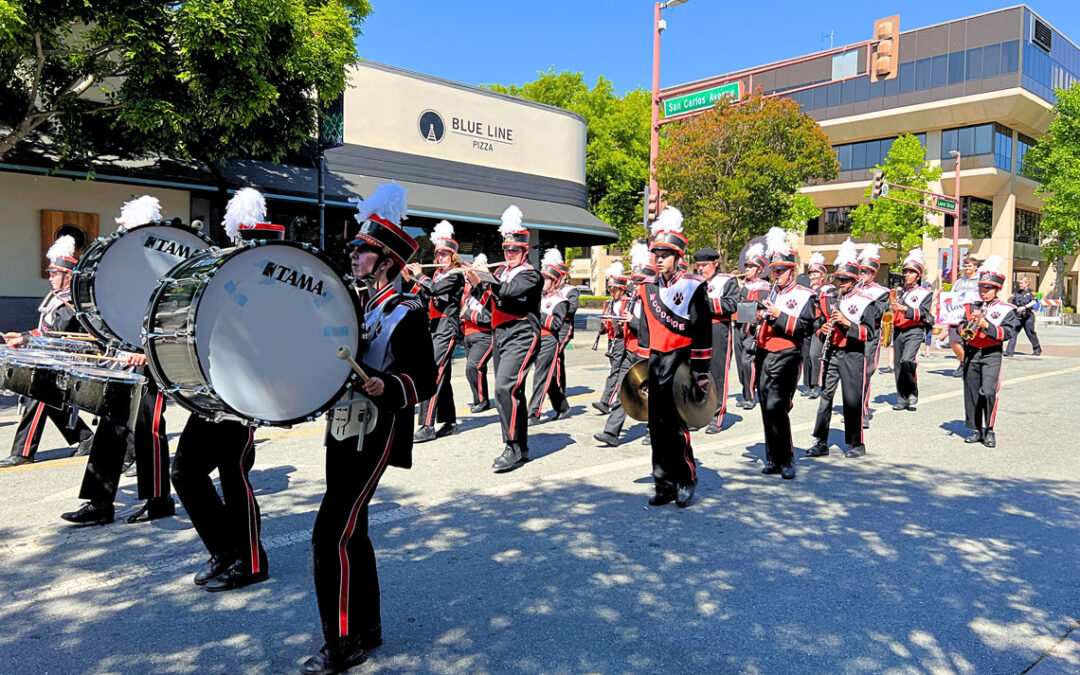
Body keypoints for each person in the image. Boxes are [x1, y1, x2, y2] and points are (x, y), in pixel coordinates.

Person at [304, 182, 436, 674]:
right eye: (356, 248)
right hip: (344, 426)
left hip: (377, 430)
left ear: (386, 262)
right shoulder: (359, 306)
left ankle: (340, 643)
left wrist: (388, 385)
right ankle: (368, 625)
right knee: (352, 530)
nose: (354, 254)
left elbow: (425, 378)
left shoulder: (406, 312)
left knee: (329, 535)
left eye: (363, 249)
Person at [171, 189, 278, 593]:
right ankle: (224, 549)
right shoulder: (225, 279)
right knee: (185, 472)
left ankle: (252, 561)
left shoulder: (271, 284)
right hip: (213, 387)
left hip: (245, 391)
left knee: (234, 474)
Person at [633, 208, 711, 506]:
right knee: (656, 426)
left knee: (676, 426)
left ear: (678, 257)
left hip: (682, 362)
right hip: (655, 363)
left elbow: (702, 332)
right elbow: (644, 332)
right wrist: (640, 371)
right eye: (657, 254)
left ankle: (686, 479)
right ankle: (663, 484)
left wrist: (700, 373)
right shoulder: (647, 288)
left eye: (665, 255)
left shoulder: (693, 286)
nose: (659, 259)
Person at [2, 235, 94, 467]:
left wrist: (25, 339)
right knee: (49, 400)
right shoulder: (56, 299)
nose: (50, 277)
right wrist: (22, 335)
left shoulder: (72, 302)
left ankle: (23, 452)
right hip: (53, 358)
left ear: (68, 276)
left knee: (38, 394)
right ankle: (86, 438)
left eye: (54, 273)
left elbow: (56, 334)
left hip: (71, 361)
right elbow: (45, 330)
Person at [466, 205, 543, 473]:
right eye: (507, 250)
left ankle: (511, 446)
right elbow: (489, 303)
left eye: (515, 250)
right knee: (513, 391)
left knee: (503, 388)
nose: (510, 254)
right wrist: (474, 282)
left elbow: (508, 292)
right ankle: (521, 446)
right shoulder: (500, 273)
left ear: (525, 251)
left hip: (522, 333)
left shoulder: (531, 274)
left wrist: (485, 276)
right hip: (501, 335)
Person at [808, 239, 880, 459]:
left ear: (854, 280)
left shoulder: (865, 301)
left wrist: (848, 324)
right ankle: (821, 441)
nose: (840, 283)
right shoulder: (829, 298)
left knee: (852, 399)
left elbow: (870, 333)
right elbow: (817, 325)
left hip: (853, 353)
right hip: (832, 352)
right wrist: (823, 330)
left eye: (845, 280)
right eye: (838, 279)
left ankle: (856, 443)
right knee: (826, 397)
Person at [755, 227, 816, 479]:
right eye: (774, 271)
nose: (776, 275)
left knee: (777, 406)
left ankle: (787, 458)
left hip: (787, 354)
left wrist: (779, 315)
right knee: (765, 407)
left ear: (792, 270)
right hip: (764, 353)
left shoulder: (804, 296)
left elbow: (807, 328)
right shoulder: (769, 293)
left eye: (781, 270)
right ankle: (773, 458)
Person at [594, 245, 652, 448]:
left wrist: (632, 321)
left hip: (648, 352)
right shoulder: (634, 299)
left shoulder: (654, 300)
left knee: (649, 393)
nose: (635, 286)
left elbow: (651, 328)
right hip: (629, 349)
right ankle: (611, 432)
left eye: (639, 282)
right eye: (634, 282)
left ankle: (653, 430)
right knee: (622, 390)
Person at [412, 220, 464, 442]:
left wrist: (419, 276)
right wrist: (411, 280)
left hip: (447, 328)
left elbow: (434, 289)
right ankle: (450, 422)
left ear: (453, 256)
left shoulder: (455, 274)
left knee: (431, 373)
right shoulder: (437, 275)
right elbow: (427, 295)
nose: (440, 257)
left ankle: (427, 425)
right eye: (438, 254)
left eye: (445, 254)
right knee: (443, 375)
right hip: (434, 326)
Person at [959, 255, 1019, 448]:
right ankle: (975, 429)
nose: (983, 294)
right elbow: (960, 326)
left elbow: (1007, 333)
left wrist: (986, 325)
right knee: (971, 391)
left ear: (997, 290)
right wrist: (967, 326)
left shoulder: (1007, 309)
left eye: (988, 290)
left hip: (992, 353)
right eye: (981, 290)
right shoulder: (971, 307)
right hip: (972, 352)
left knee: (988, 390)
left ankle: (989, 428)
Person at [694, 247, 739, 434]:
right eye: (698, 265)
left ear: (715, 263)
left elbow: (732, 304)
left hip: (718, 329)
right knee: (697, 373)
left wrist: (705, 303)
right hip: (697, 331)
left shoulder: (727, 280)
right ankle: (698, 414)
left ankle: (717, 416)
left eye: (704, 265)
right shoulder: (694, 281)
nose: (700, 269)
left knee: (717, 374)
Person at [527, 249, 571, 423]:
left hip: (548, 340)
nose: (542, 281)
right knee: (547, 376)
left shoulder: (560, 300)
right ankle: (562, 406)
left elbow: (556, 324)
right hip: (535, 338)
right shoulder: (538, 296)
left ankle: (533, 413)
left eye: (546, 279)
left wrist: (537, 313)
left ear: (554, 281)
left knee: (540, 376)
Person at [889, 248, 934, 410]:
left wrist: (904, 308)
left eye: (911, 272)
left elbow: (923, 313)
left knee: (907, 360)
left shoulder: (924, 293)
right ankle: (902, 399)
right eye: (905, 272)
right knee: (898, 366)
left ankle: (912, 390)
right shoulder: (897, 292)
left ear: (918, 276)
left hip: (914, 330)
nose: (907, 275)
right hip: (898, 330)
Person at [856, 244, 890, 428]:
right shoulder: (852, 288)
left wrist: (863, 298)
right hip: (852, 334)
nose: (862, 275)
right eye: (861, 271)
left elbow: (877, 313)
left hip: (870, 336)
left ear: (873, 274)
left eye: (866, 272)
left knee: (865, 373)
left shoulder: (881, 292)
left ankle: (862, 411)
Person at [734, 243, 770, 410]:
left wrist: (742, 289)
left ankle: (749, 397)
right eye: (746, 266)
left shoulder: (763, 286)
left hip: (752, 327)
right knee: (740, 364)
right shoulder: (745, 285)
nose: (747, 269)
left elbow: (756, 306)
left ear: (759, 270)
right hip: (738, 325)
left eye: (751, 267)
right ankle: (746, 392)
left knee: (748, 362)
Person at [593, 263, 630, 415]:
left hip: (622, 339)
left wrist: (621, 324)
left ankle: (605, 401)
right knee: (618, 371)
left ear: (622, 289)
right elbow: (606, 327)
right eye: (610, 289)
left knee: (615, 370)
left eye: (615, 289)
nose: (612, 292)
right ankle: (622, 399)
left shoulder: (628, 303)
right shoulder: (608, 303)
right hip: (611, 339)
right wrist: (603, 326)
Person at [461, 254, 494, 413]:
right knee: (474, 370)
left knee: (473, 366)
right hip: (468, 335)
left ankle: (482, 401)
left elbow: (488, 318)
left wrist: (466, 314)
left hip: (484, 336)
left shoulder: (489, 292)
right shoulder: (471, 293)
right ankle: (480, 399)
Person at [801, 252, 832, 400]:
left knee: (815, 354)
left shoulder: (827, 290)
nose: (812, 276)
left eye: (816, 273)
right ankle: (808, 384)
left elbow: (828, 311)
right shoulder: (806, 290)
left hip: (819, 326)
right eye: (811, 273)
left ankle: (816, 385)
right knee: (806, 356)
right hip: (806, 326)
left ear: (822, 276)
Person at [948, 256, 982, 375]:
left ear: (975, 267)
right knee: (953, 340)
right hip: (957, 314)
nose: (967, 268)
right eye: (965, 266)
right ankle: (963, 362)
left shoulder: (980, 281)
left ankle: (971, 366)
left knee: (970, 340)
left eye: (970, 266)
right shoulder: (959, 282)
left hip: (972, 313)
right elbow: (951, 296)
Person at [1005, 278, 1042, 357]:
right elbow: (1009, 302)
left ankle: (1037, 350)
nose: (1020, 285)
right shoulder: (1017, 292)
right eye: (1019, 283)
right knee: (1013, 332)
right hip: (1018, 316)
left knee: (1030, 333)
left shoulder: (1031, 292)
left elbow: (1033, 302)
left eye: (1022, 283)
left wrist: (1025, 307)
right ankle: (1009, 352)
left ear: (1027, 283)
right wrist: (1011, 297)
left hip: (1028, 316)